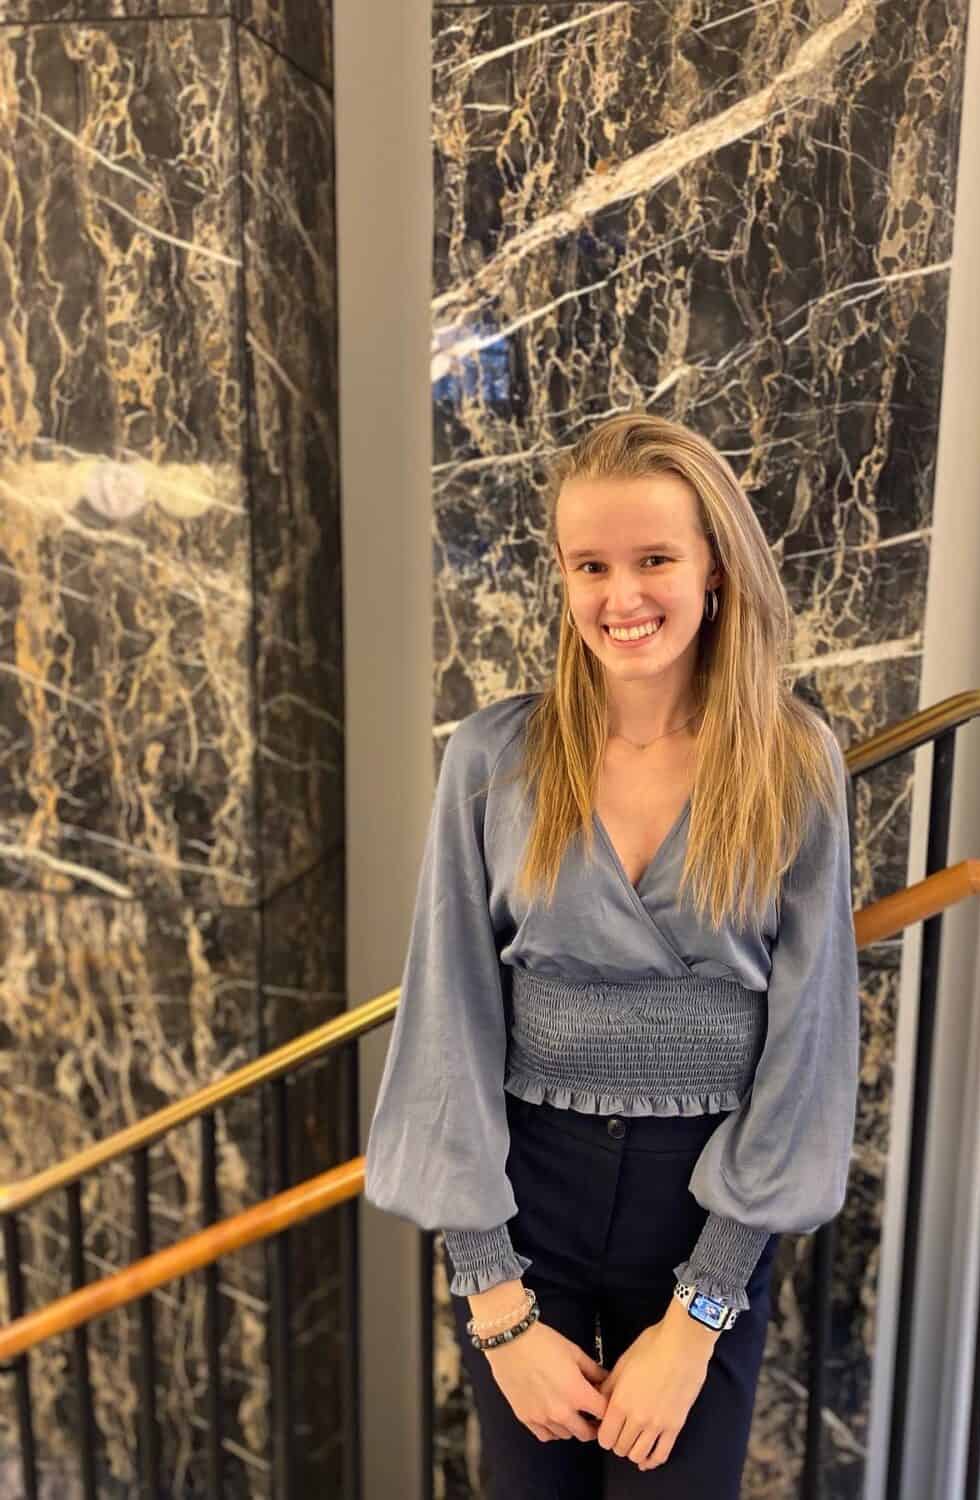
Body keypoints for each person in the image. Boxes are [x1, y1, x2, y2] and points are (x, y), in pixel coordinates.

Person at [364, 411, 860, 1498]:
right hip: (522, 1195)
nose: (620, 596)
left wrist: (699, 1317)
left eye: (653, 559)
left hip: (705, 1201)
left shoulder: (792, 759)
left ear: (715, 564)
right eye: (590, 564)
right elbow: (449, 1016)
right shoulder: (494, 758)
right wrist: (495, 1300)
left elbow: (810, 1037)